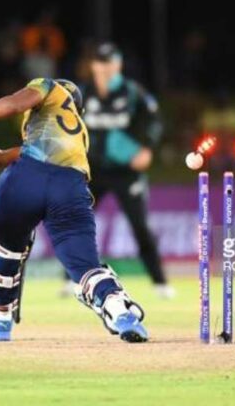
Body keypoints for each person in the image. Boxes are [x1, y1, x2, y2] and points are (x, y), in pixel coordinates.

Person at [0, 78, 148, 343]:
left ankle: (1, 313)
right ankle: (119, 311)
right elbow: (1, 156)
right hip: (70, 188)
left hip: (26, 179)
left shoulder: (51, 88)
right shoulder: (74, 137)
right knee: (85, 267)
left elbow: (14, 104)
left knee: (8, 247)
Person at [66, 42, 174, 299]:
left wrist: (146, 149)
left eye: (109, 62)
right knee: (75, 222)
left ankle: (160, 282)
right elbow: (67, 125)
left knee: (139, 225)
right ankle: (72, 278)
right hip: (92, 169)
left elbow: (155, 120)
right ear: (93, 65)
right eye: (100, 63)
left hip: (126, 170)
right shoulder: (83, 93)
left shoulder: (132, 92)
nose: (104, 68)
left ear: (118, 65)